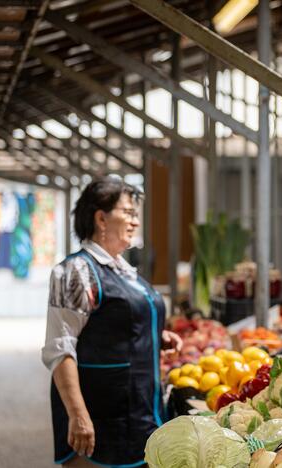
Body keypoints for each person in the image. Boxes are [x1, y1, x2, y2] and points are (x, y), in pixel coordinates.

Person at [41, 177, 182, 467]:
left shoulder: (123, 270)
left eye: (135, 214)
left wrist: (156, 334)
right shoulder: (76, 272)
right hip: (100, 419)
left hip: (140, 411)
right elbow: (60, 349)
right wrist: (78, 416)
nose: (135, 222)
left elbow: (117, 321)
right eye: (128, 213)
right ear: (101, 218)